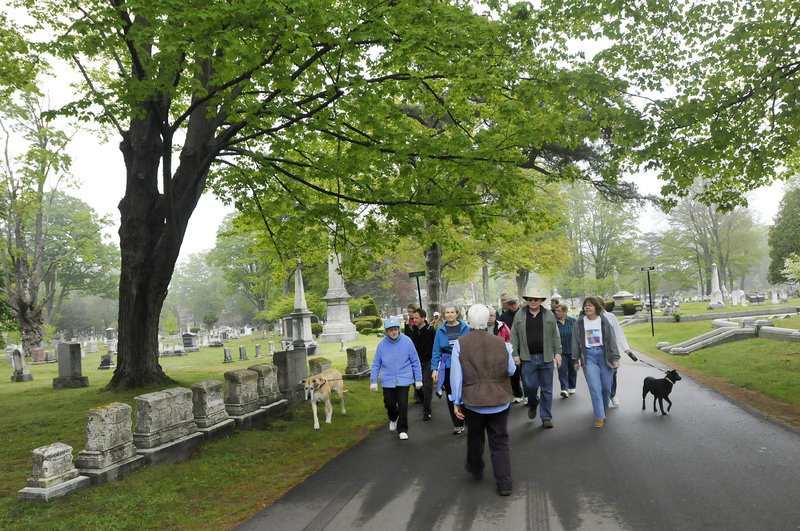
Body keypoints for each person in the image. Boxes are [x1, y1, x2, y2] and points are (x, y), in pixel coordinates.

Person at [449, 304, 516, 496]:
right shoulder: (500, 342)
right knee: (500, 440)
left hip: (473, 400)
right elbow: (511, 369)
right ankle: (504, 483)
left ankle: (476, 467)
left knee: (475, 436)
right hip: (500, 398)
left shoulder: (461, 343)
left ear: (468, 319)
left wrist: (456, 401)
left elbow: (457, 376)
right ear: (488, 319)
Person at [510, 287, 561, 428]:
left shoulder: (549, 315)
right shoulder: (520, 315)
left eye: (536, 299)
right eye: (530, 299)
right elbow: (513, 335)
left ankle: (546, 417)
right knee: (530, 386)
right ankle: (533, 403)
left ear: (541, 301)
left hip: (546, 358)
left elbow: (555, 335)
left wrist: (558, 353)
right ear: (526, 300)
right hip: (528, 358)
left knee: (547, 388)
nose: (533, 301)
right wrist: (515, 354)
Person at [370, 317, 423, 440]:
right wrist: (373, 381)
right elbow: (376, 364)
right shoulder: (382, 345)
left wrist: (418, 379)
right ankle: (393, 417)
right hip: (388, 380)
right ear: (387, 332)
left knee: (403, 404)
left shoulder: (407, 341)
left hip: (404, 378)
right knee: (389, 404)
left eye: (395, 329)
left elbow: (415, 361)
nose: (393, 332)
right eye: (390, 330)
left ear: (399, 329)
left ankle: (402, 429)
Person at [571, 297, 620, 428]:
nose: (587, 307)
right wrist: (575, 359)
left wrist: (615, 358)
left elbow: (611, 340)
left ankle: (604, 408)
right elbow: (575, 341)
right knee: (594, 387)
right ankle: (599, 416)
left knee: (606, 387)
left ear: (596, 307)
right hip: (589, 356)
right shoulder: (579, 322)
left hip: (605, 355)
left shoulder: (603, 320)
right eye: (585, 305)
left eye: (590, 305)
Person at [431, 303, 470, 434]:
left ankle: (469, 419)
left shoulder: (466, 328)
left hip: (464, 364)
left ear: (457, 313)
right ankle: (458, 424)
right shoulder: (440, 331)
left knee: (466, 392)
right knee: (451, 395)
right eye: (447, 313)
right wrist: (434, 369)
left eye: (452, 312)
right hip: (448, 366)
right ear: (443, 315)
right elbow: (436, 351)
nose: (450, 315)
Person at [592, 297, 635, 407]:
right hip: (596, 350)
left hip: (610, 351)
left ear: (602, 305)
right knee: (598, 375)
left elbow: (619, 333)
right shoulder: (590, 317)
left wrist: (626, 349)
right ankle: (601, 397)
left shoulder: (611, 317)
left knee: (613, 374)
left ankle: (612, 394)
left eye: (597, 305)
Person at [407, 308, 436, 420]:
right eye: (413, 318)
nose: (414, 320)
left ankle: (426, 411)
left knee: (427, 385)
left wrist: (435, 364)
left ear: (423, 318)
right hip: (415, 363)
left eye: (416, 318)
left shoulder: (431, 330)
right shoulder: (412, 331)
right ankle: (424, 401)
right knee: (417, 386)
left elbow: (435, 347)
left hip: (428, 361)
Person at [498, 296, 523, 402]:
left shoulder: (523, 313)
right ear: (508, 305)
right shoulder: (503, 317)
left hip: (524, 344)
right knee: (515, 371)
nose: (513, 306)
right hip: (511, 345)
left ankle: (528, 395)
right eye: (511, 304)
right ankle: (517, 393)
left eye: (515, 303)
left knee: (525, 371)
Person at [555, 303, 577, 398]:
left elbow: (578, 336)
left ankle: (572, 386)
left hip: (572, 350)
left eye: (559, 311)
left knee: (572, 369)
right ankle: (564, 388)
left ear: (565, 311)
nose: (557, 313)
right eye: (556, 311)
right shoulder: (555, 324)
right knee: (562, 370)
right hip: (561, 352)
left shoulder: (572, 321)